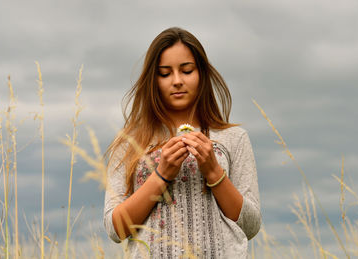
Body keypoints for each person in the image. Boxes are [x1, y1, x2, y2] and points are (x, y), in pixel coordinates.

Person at [103, 27, 261, 258]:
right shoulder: (129, 143)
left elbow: (251, 225)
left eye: (186, 70)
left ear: (201, 74)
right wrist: (161, 175)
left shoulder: (234, 138)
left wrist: (214, 172)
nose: (177, 81)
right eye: (165, 74)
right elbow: (115, 228)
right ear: (153, 80)